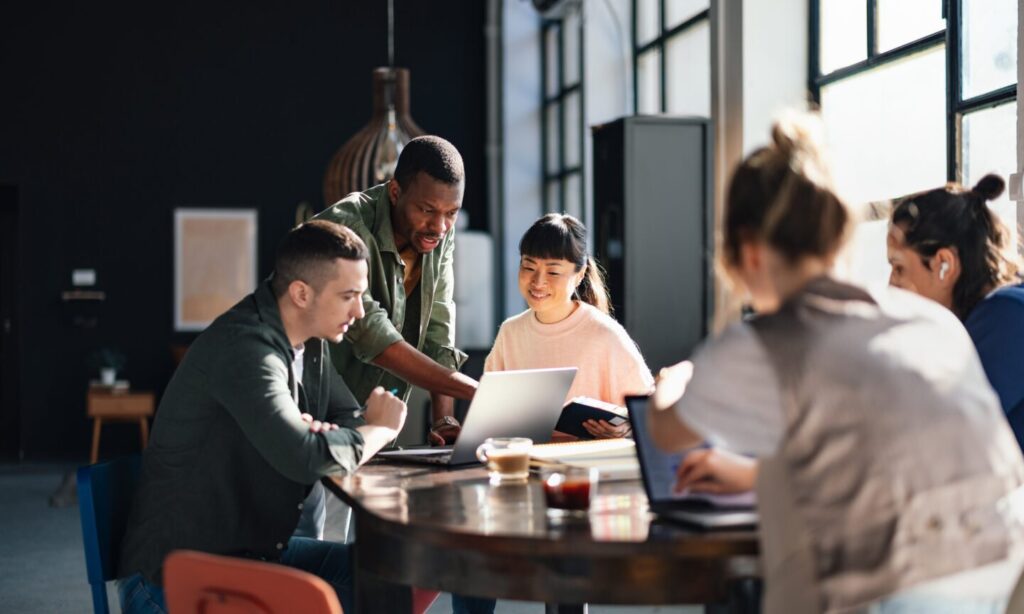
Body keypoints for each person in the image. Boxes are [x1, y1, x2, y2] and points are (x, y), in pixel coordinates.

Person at [647, 115, 1024, 613]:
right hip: (999, 584)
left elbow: (666, 433)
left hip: (883, 594)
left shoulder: (764, 341)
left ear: (748, 252)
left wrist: (676, 381)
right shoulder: (933, 323)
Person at [116, 221, 408, 614]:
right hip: (175, 576)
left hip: (250, 551)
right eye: (348, 296)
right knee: (341, 603)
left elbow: (345, 417)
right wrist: (381, 429)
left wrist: (331, 438)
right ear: (301, 293)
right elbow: (307, 456)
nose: (359, 311)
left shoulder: (311, 344)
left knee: (394, 580)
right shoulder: (246, 348)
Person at [315, 135, 477, 446]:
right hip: (313, 418)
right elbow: (373, 334)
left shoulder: (440, 234)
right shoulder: (345, 227)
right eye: (427, 210)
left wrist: (444, 419)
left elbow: (438, 328)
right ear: (394, 191)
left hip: (376, 433)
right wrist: (476, 392)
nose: (440, 227)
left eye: (451, 213)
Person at [485, 213, 654, 438]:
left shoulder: (605, 334)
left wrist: (626, 428)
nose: (538, 281)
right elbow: (488, 413)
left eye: (553, 271)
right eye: (528, 267)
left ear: (579, 274)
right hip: (524, 463)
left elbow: (649, 411)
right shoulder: (510, 332)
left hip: (587, 465)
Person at [887, 174, 1024, 450]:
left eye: (899, 267)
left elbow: (936, 442)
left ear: (944, 264)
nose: (891, 284)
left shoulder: (1006, 316)